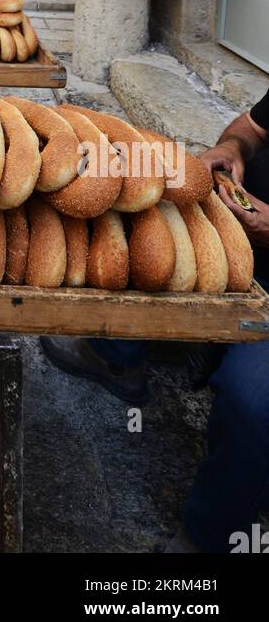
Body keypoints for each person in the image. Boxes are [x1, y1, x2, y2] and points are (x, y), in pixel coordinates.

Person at [41, 90, 269, 554]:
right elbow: (253, 126)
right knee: (137, 218)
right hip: (243, 224)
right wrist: (233, 147)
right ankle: (117, 357)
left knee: (254, 402)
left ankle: (212, 536)